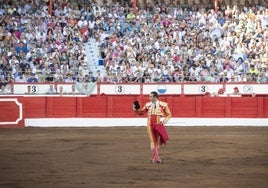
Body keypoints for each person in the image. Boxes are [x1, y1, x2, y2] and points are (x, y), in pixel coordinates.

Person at [133, 91, 172, 163]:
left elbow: (169, 115)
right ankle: (158, 159)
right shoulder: (148, 104)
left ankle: (152, 159)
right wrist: (136, 109)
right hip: (149, 124)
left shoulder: (163, 104)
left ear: (155, 97)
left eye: (150, 96)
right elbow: (141, 113)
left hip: (158, 125)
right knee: (153, 141)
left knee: (156, 142)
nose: (149, 98)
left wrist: (164, 121)